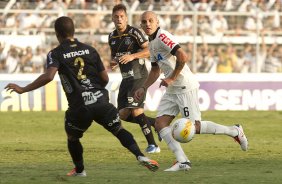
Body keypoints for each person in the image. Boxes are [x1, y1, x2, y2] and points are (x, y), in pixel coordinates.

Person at [5, 16, 159, 176]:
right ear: (73, 31)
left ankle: (80, 170)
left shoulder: (55, 53)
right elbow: (105, 78)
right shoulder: (90, 49)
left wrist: (23, 89)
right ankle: (140, 155)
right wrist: (96, 94)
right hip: (101, 101)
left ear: (57, 34)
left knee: (72, 136)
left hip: (79, 106)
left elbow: (49, 76)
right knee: (118, 129)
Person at [134, 11, 248, 172]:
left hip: (184, 86)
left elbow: (183, 56)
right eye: (144, 22)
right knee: (160, 124)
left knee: (195, 127)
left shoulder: (162, 36)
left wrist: (172, 78)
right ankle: (182, 161)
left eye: (151, 20)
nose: (147, 24)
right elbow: (154, 70)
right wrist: (144, 87)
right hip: (172, 89)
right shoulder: (151, 43)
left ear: (157, 22)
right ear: (141, 25)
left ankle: (234, 131)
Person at [108, 4, 160, 153]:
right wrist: (114, 62)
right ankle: (155, 123)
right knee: (123, 114)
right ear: (112, 18)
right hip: (126, 78)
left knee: (136, 110)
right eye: (116, 17)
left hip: (139, 76)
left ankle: (153, 145)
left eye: (122, 16)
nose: (119, 19)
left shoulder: (134, 33)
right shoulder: (111, 37)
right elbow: (115, 56)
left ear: (126, 18)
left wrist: (133, 56)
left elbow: (150, 50)